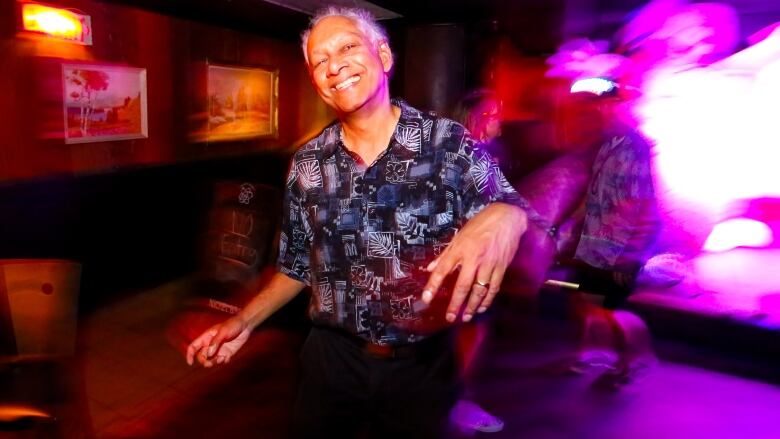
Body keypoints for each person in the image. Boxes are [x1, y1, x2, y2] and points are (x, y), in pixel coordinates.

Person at [186, 7, 529, 438]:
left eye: (348, 46)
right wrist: (243, 321)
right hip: (330, 364)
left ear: (383, 56)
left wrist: (506, 214)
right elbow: (296, 266)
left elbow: (518, 211)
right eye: (320, 61)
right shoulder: (307, 165)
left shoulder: (448, 144)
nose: (335, 66)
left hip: (421, 369)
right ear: (316, 82)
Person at [448, 88, 509, 433]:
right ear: (479, 119)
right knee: (470, 332)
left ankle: (452, 399)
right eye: (495, 113)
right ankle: (458, 402)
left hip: (471, 260)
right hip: (465, 262)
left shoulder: (478, 154)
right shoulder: (469, 158)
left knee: (470, 331)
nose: (501, 119)